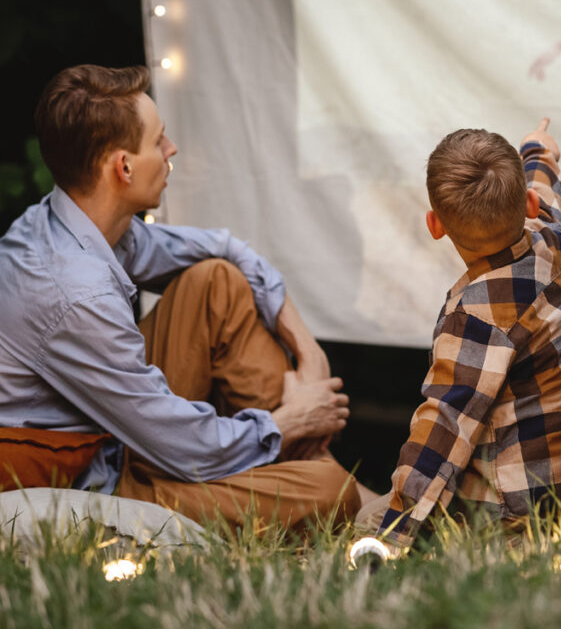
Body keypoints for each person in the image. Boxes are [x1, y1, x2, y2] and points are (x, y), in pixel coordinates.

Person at [0, 64, 376, 530]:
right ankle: (344, 490)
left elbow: (226, 249)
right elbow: (180, 445)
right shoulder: (74, 294)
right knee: (327, 495)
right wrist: (287, 422)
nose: (171, 149)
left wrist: (308, 350)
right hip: (93, 478)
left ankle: (333, 476)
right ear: (123, 167)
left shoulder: (76, 222)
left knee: (214, 281)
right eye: (159, 141)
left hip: (128, 432)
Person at [359, 119, 561, 549]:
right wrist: (539, 150)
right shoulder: (550, 237)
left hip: (515, 517)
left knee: (364, 520)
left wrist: (392, 534)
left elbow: (444, 430)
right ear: (529, 203)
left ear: (435, 225)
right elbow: (545, 187)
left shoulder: (474, 320)